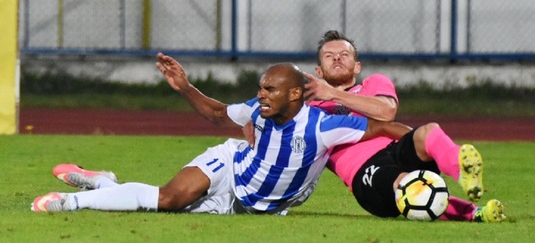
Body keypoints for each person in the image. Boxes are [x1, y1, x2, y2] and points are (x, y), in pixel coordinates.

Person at [31, 55, 412, 214]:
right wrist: (184, 87)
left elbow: (384, 126)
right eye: (261, 87)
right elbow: (216, 112)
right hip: (230, 165)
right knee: (167, 199)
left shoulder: (325, 125)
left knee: (174, 211)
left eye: (271, 89)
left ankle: (102, 183)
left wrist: (419, 144)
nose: (261, 94)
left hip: (252, 204)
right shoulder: (254, 109)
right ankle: (70, 202)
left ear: (296, 94)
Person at [302, 30, 506, 222]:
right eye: (329, 55)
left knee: (429, 131)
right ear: (318, 71)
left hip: (395, 150)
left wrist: (333, 93)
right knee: (406, 182)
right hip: (363, 171)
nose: (337, 58)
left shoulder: (373, 83)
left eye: (344, 54)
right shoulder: (309, 111)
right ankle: (473, 213)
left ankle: (462, 170)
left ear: (357, 66)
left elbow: (386, 112)